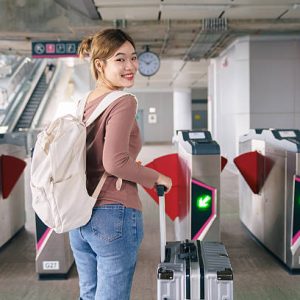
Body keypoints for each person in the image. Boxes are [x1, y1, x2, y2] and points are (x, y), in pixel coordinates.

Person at [69, 28, 172, 300]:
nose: (130, 66)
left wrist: (127, 162)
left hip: (79, 217)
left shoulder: (83, 103)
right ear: (99, 64)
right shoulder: (123, 101)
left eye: (133, 58)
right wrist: (156, 177)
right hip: (113, 214)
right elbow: (114, 162)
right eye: (120, 59)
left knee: (89, 295)